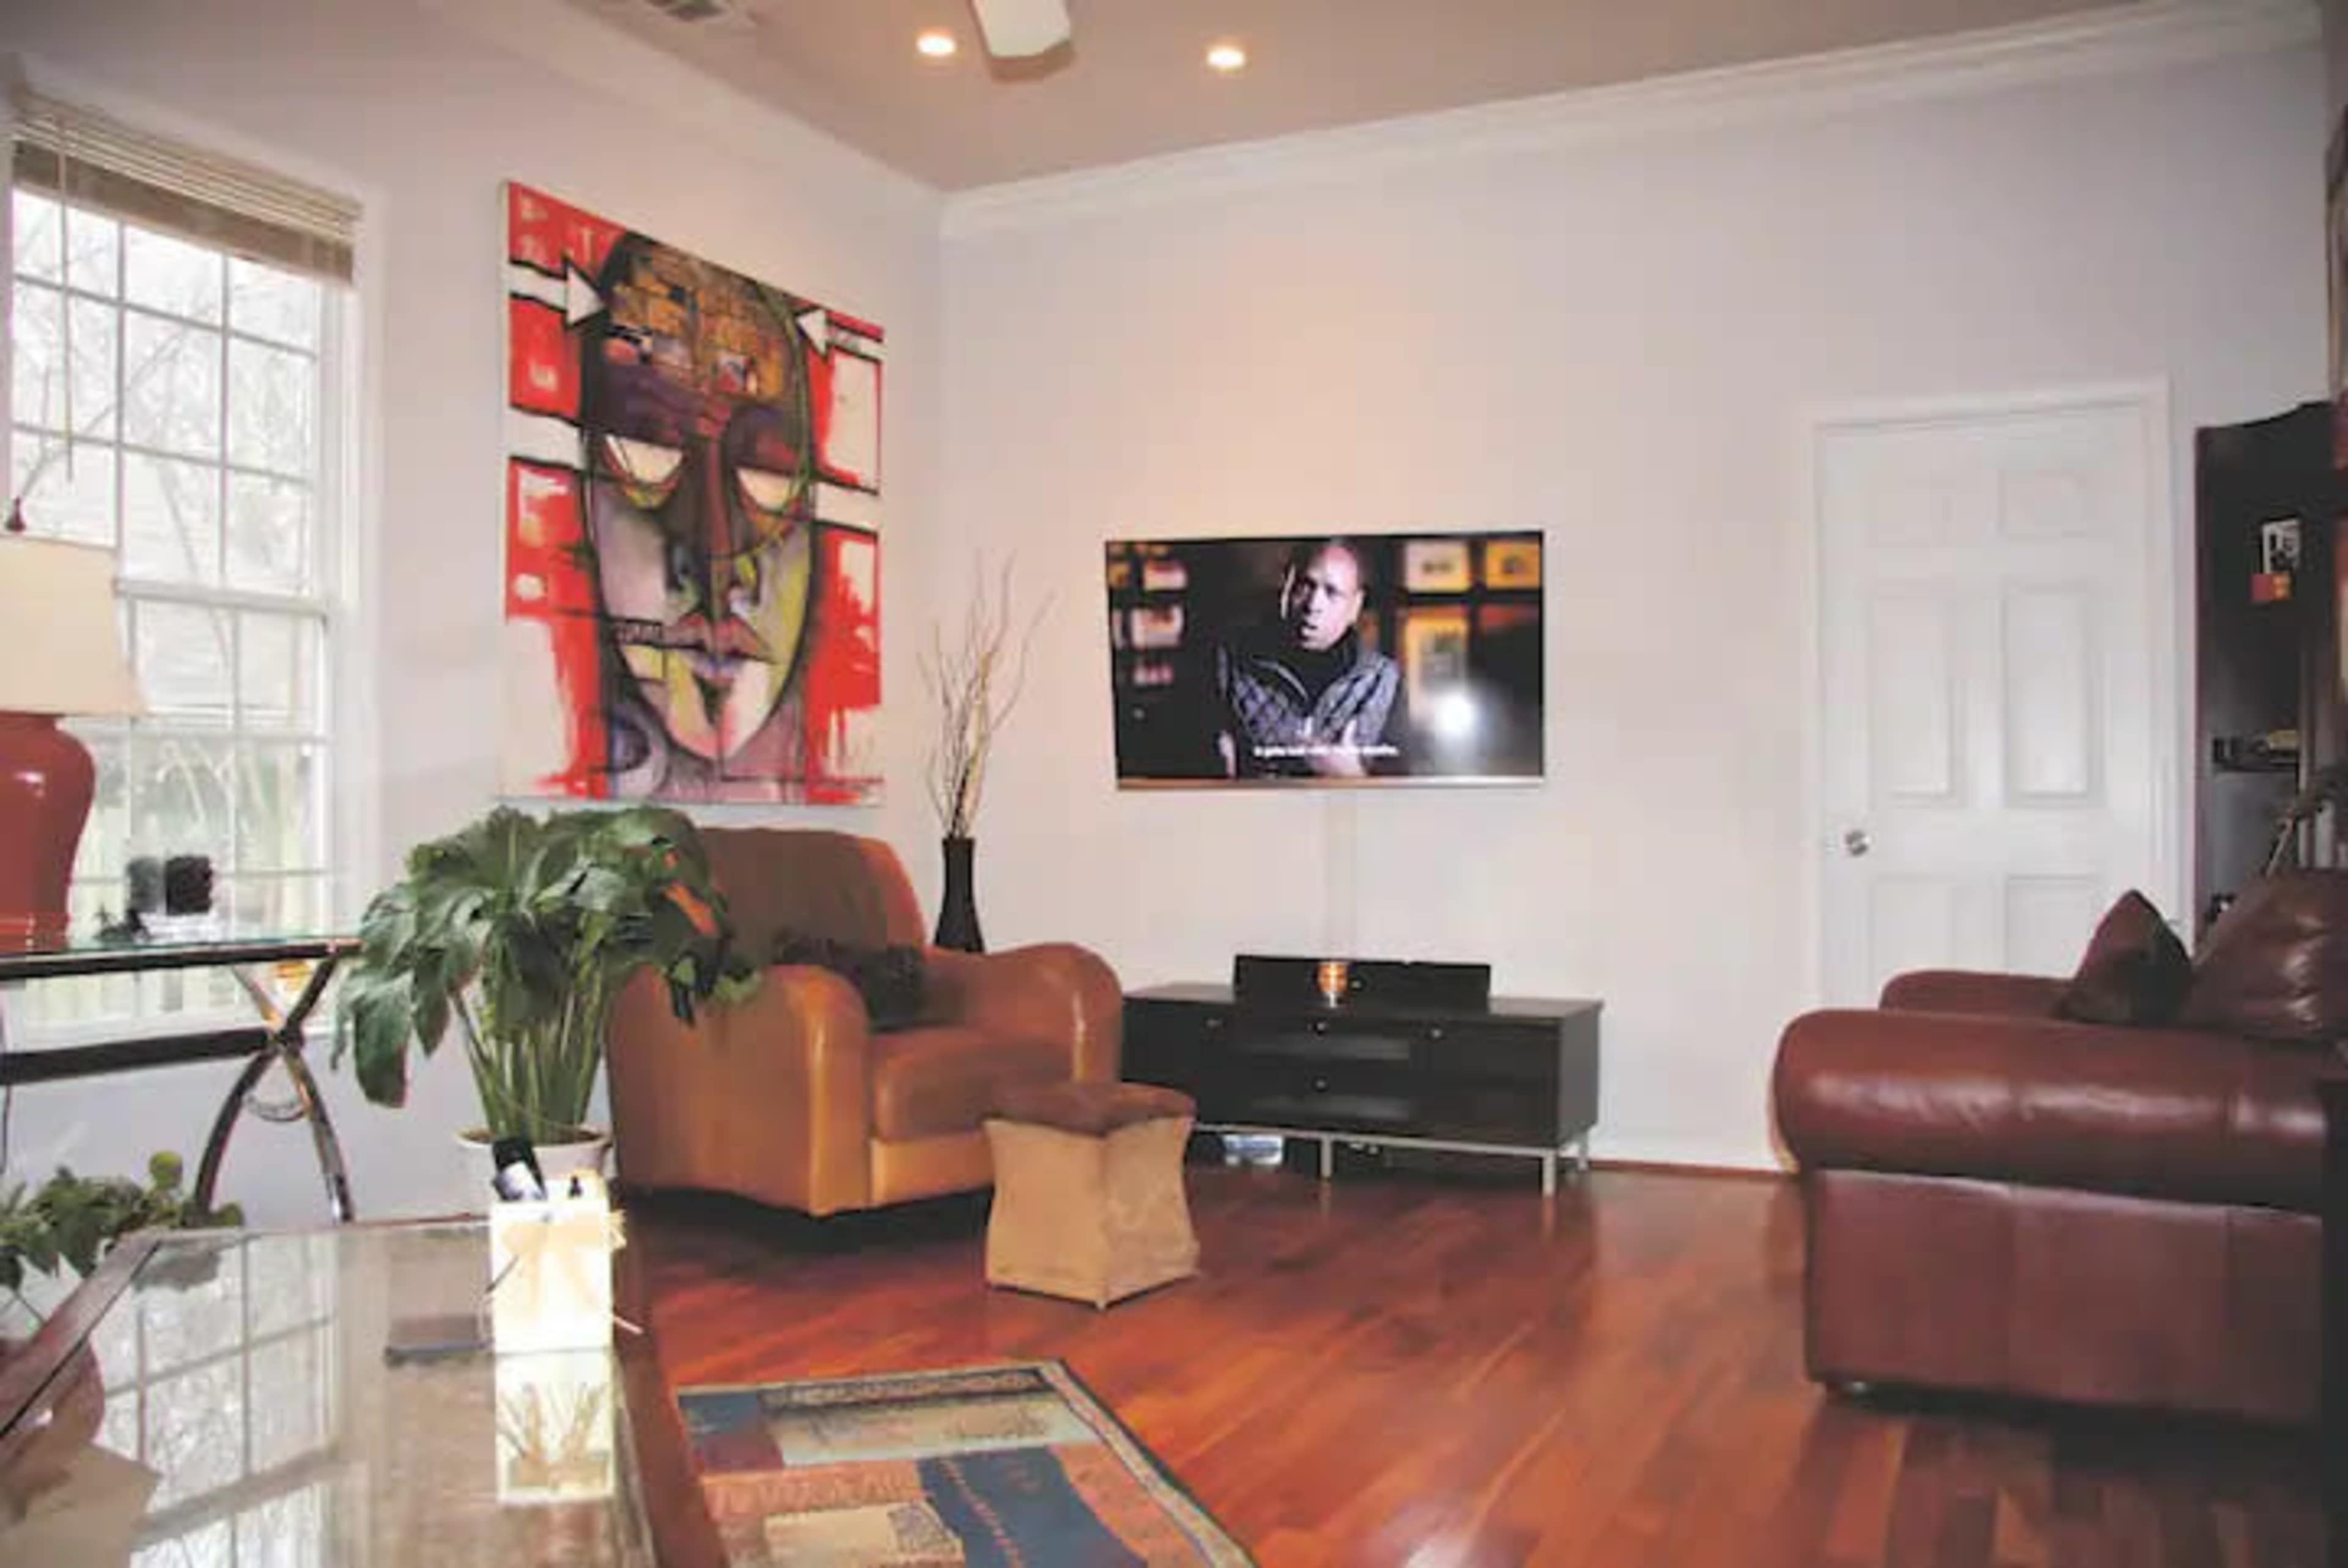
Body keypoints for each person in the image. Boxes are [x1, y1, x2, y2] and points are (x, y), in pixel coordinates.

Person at [1211, 538, 1400, 778]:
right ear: (1286, 588)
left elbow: (1411, 783)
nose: (1313, 605)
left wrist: (1352, 776)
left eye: (1332, 593)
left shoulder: (1382, 679)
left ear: (1355, 606)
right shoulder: (1230, 662)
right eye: (1305, 586)